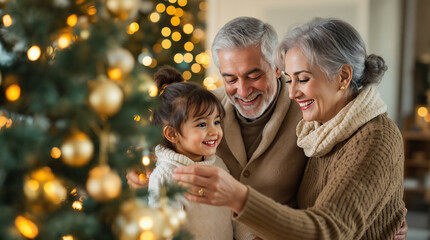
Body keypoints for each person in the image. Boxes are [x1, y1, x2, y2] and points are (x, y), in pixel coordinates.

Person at [127, 16, 408, 239]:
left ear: (276, 68)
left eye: (253, 75)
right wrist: (142, 176)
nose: (242, 89)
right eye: (230, 78)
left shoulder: (312, 115)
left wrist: (385, 211)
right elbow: (163, 149)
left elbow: (336, 217)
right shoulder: (203, 110)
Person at [146, 66, 251, 240]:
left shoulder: (218, 164)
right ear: (172, 134)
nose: (214, 131)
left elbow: (234, 213)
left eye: (216, 122)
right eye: (202, 124)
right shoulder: (165, 178)